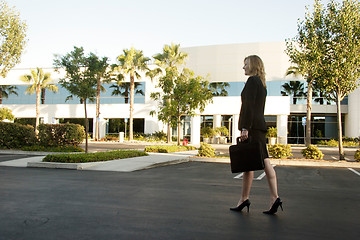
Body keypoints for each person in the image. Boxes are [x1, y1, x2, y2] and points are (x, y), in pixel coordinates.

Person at [230, 55, 283, 215]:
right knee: (250, 164)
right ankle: (244, 199)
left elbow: (249, 107)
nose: (243, 67)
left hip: (252, 128)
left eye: (245, 64)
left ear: (253, 65)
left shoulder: (252, 81)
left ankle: (274, 197)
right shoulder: (262, 84)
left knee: (264, 162)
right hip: (257, 127)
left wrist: (245, 127)